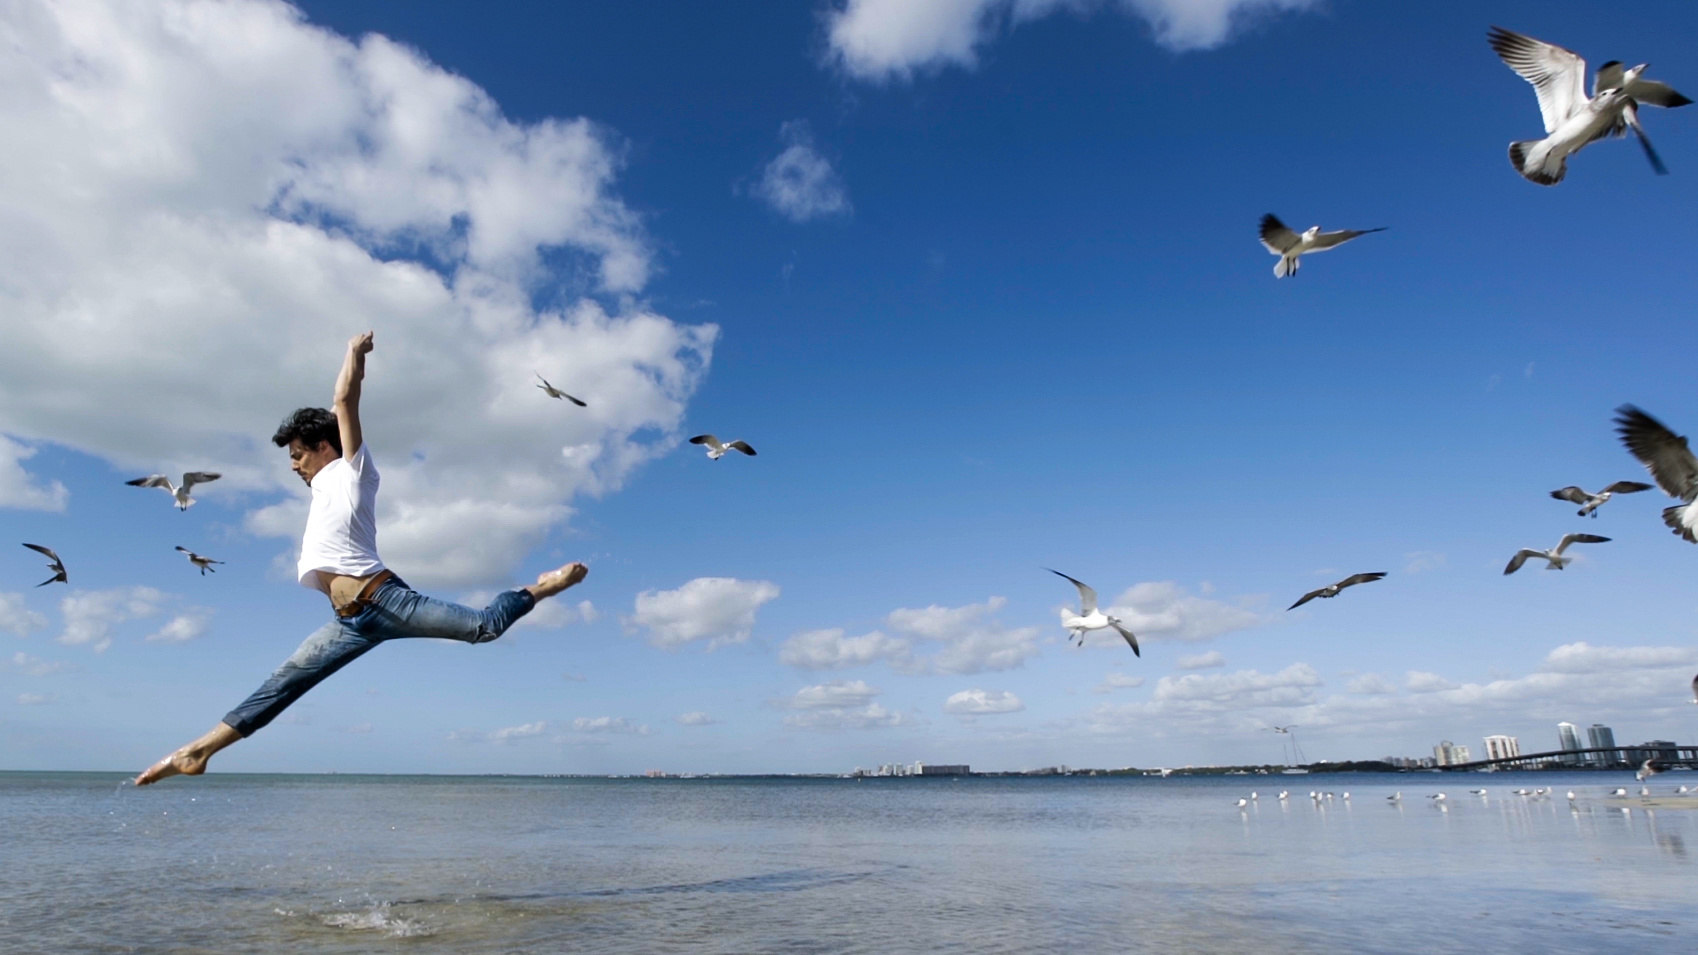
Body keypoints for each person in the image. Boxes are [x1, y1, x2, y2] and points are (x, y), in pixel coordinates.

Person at [135, 331, 586, 785]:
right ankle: (198, 751)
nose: (293, 466)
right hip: (348, 622)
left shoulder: (352, 472)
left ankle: (541, 587)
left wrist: (353, 353)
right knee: (282, 684)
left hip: (386, 600)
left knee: (484, 629)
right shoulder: (320, 491)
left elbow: (344, 401)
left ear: (324, 447)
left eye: (297, 455)